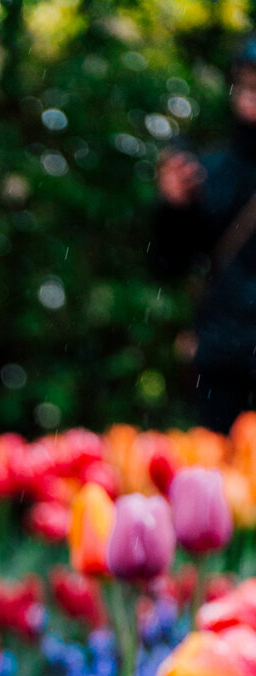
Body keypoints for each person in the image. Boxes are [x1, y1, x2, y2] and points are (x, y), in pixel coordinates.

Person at [154, 36, 256, 432]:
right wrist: (173, 208)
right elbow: (169, 262)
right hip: (221, 359)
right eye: (246, 83)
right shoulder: (210, 172)